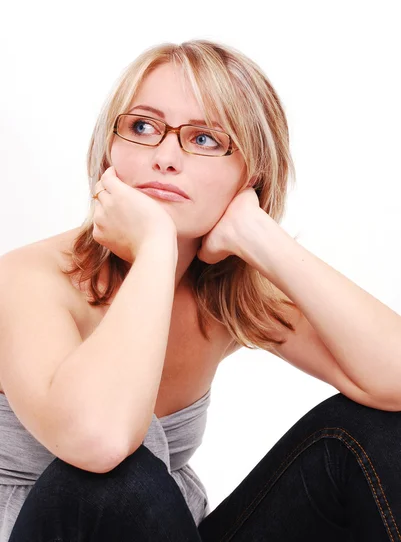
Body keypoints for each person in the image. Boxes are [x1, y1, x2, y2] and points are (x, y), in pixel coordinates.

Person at [0, 39, 400, 542]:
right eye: (142, 127)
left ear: (249, 173)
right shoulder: (29, 279)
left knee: (382, 431)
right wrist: (155, 248)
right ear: (110, 150)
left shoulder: (226, 295)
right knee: (118, 480)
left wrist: (259, 236)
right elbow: (98, 442)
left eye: (206, 139)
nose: (165, 157)